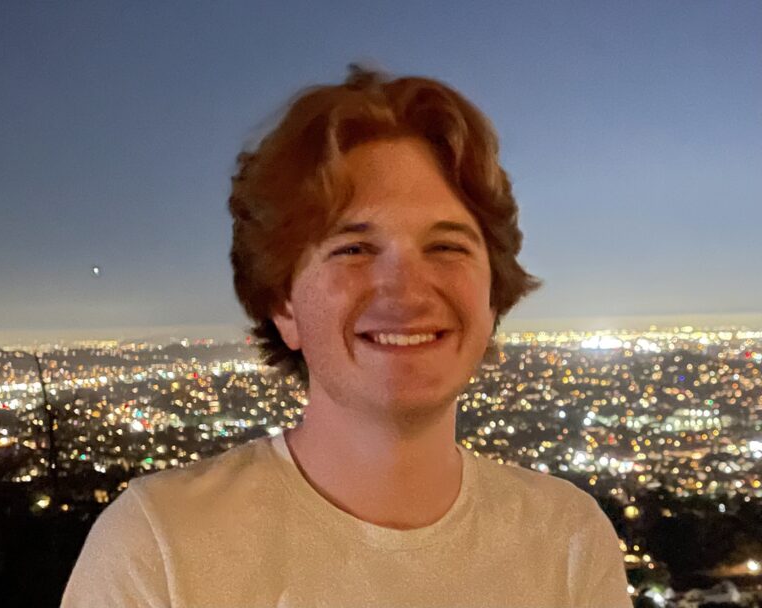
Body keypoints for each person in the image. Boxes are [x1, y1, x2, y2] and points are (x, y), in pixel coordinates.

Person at [62, 64, 632, 607]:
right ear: (283, 305)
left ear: (492, 295)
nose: (407, 291)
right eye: (353, 248)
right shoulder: (159, 546)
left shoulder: (568, 539)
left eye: (446, 246)